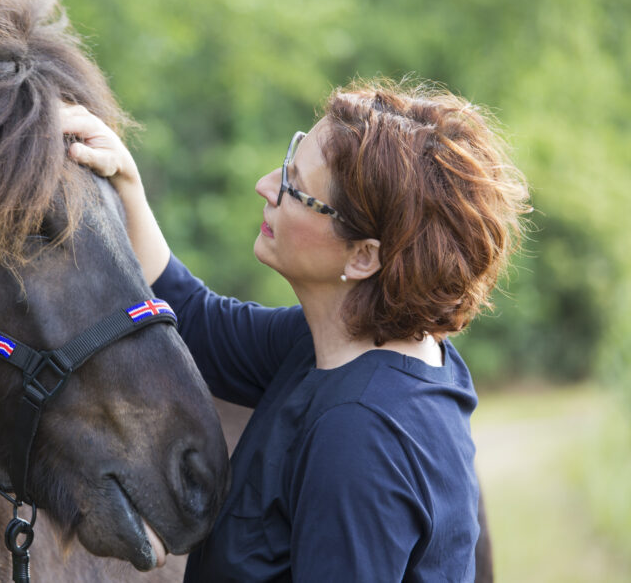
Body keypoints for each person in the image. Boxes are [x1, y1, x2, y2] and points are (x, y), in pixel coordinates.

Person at [59, 79, 530, 582]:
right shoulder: (339, 345)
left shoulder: (360, 439)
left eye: (295, 187)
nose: (266, 185)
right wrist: (125, 181)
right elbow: (197, 320)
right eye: (287, 162)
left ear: (363, 255)